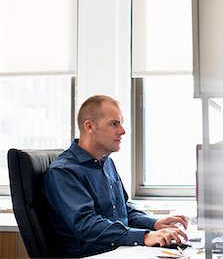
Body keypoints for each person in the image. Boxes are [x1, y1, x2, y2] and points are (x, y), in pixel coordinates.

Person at [43, 95, 189, 257]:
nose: (122, 131)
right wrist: (145, 236)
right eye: (114, 124)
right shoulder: (64, 171)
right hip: (95, 254)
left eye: (121, 123)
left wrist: (154, 223)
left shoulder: (106, 163)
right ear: (90, 126)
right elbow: (87, 225)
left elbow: (122, 210)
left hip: (120, 250)